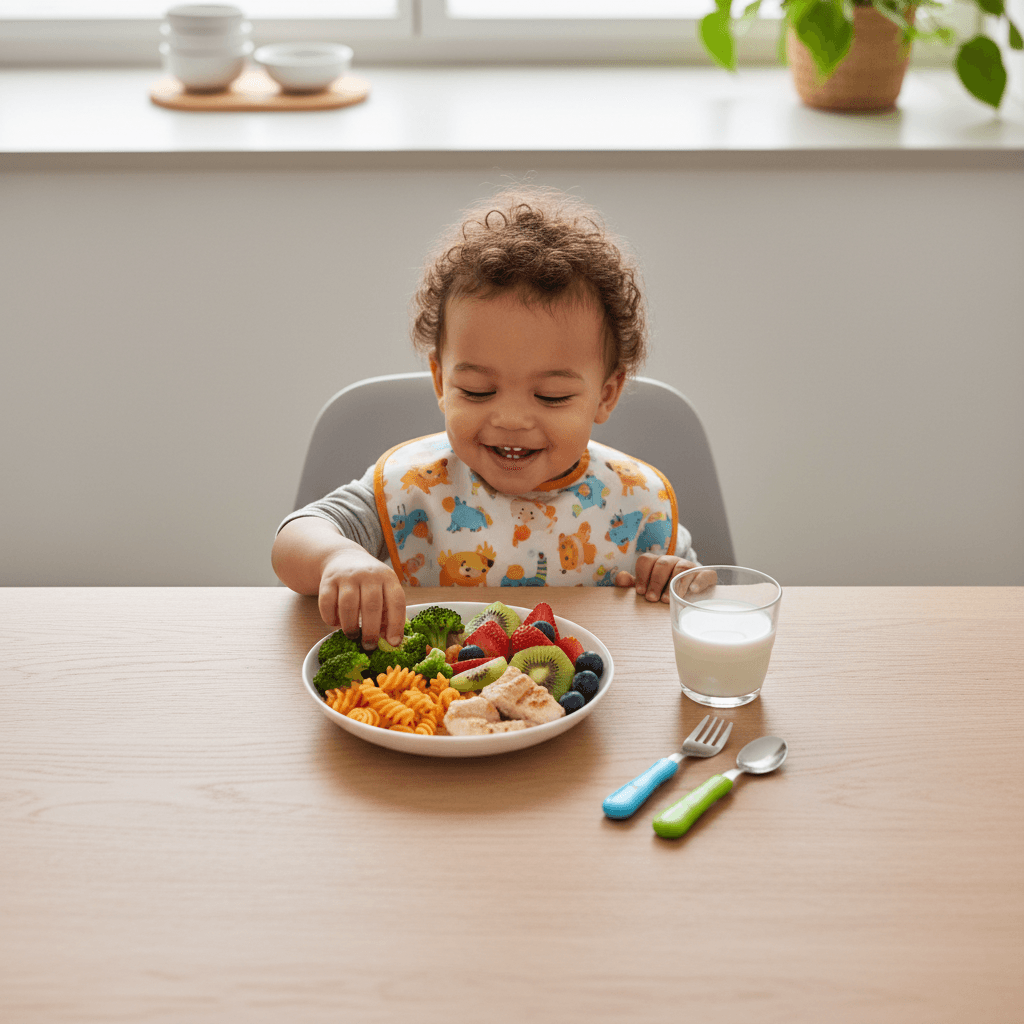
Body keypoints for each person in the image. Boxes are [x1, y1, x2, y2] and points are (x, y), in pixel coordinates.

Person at [272, 187, 711, 648]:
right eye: (478, 391)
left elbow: (696, 585)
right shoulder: (416, 488)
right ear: (441, 382)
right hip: (440, 710)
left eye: (551, 396)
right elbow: (293, 540)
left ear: (606, 394)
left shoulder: (634, 502)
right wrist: (339, 557)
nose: (512, 419)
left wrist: (676, 578)